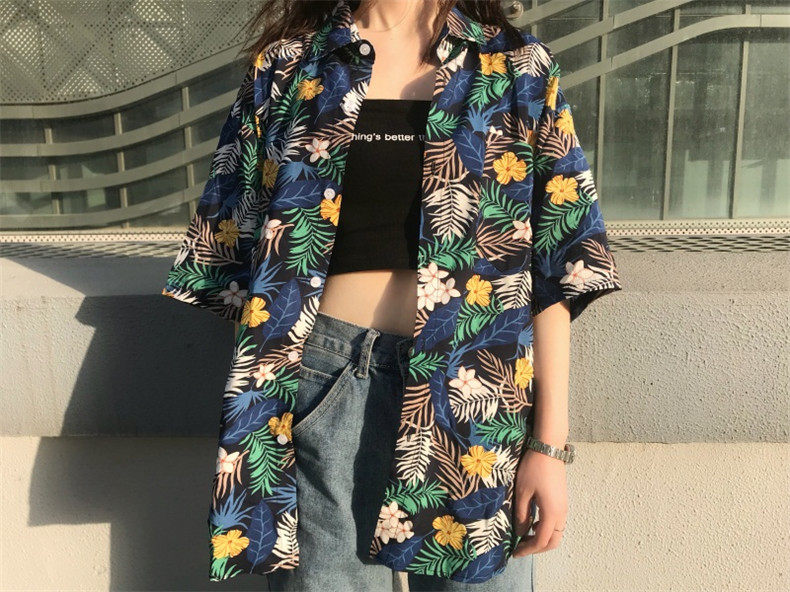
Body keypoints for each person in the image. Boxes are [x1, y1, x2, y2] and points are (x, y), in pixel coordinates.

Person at [161, 0, 623, 591]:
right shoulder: (287, 68)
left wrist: (548, 448)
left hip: (476, 392)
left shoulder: (517, 68)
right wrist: (261, 434)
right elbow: (239, 262)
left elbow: (558, 266)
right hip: (323, 377)